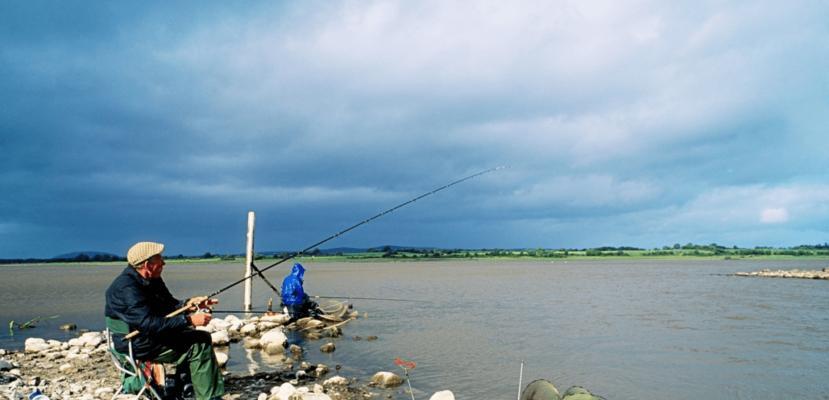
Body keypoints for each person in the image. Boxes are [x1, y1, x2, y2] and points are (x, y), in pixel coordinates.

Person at [105, 241, 224, 400]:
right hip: (135, 343)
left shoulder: (152, 278)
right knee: (199, 342)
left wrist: (190, 304)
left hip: (145, 336)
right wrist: (189, 320)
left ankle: (184, 388)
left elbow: (170, 305)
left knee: (194, 337)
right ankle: (207, 396)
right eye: (159, 259)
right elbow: (148, 324)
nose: (163, 262)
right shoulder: (127, 288)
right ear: (148, 264)